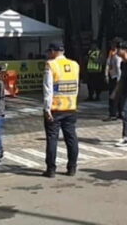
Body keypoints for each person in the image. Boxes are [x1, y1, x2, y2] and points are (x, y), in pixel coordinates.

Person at [42, 41, 80, 178]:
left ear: (53, 51)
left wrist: (47, 109)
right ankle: (72, 168)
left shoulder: (50, 65)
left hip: (55, 108)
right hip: (70, 107)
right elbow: (76, 86)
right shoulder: (75, 65)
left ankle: (51, 169)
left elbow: (48, 89)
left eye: (49, 52)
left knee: (52, 139)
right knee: (71, 138)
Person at [103, 37, 123, 122]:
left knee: (114, 96)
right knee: (115, 96)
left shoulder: (117, 55)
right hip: (112, 76)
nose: (111, 45)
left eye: (113, 43)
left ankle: (114, 114)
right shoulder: (112, 53)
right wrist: (106, 74)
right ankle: (118, 113)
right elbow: (108, 64)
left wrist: (119, 79)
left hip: (116, 78)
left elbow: (118, 68)